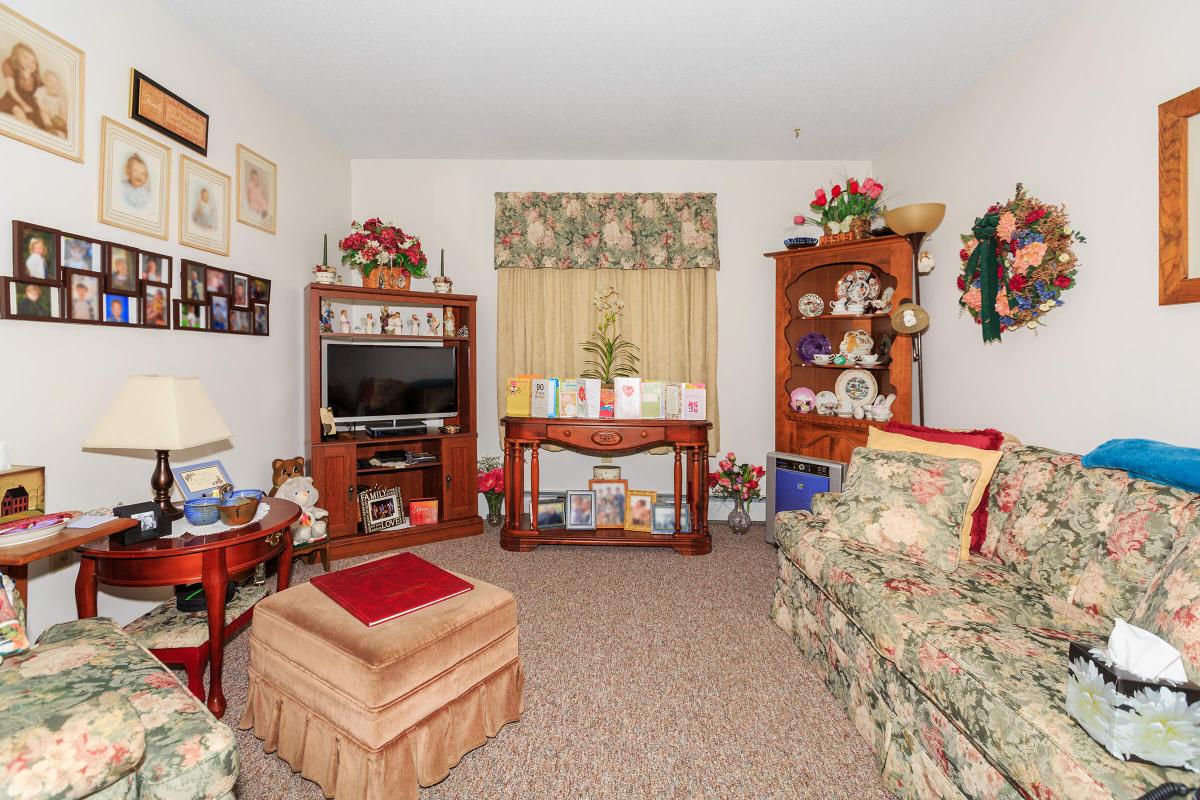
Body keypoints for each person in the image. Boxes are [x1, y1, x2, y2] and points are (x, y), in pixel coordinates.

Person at [0, 43, 42, 128]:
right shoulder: (11, 66)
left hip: (29, 102)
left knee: (33, 119)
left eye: (33, 61)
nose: (30, 63)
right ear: (16, 57)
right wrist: (23, 104)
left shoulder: (34, 77)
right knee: (17, 109)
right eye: (25, 57)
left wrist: (28, 76)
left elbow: (36, 95)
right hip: (13, 98)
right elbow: (11, 89)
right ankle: (24, 129)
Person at [33, 69, 67, 138]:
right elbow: (37, 98)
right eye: (50, 81)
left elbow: (62, 112)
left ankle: (64, 130)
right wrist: (42, 106)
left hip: (56, 118)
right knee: (43, 112)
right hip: (46, 116)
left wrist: (63, 119)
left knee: (61, 123)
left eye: (56, 83)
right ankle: (49, 127)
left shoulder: (59, 99)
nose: (53, 84)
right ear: (44, 81)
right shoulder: (42, 90)